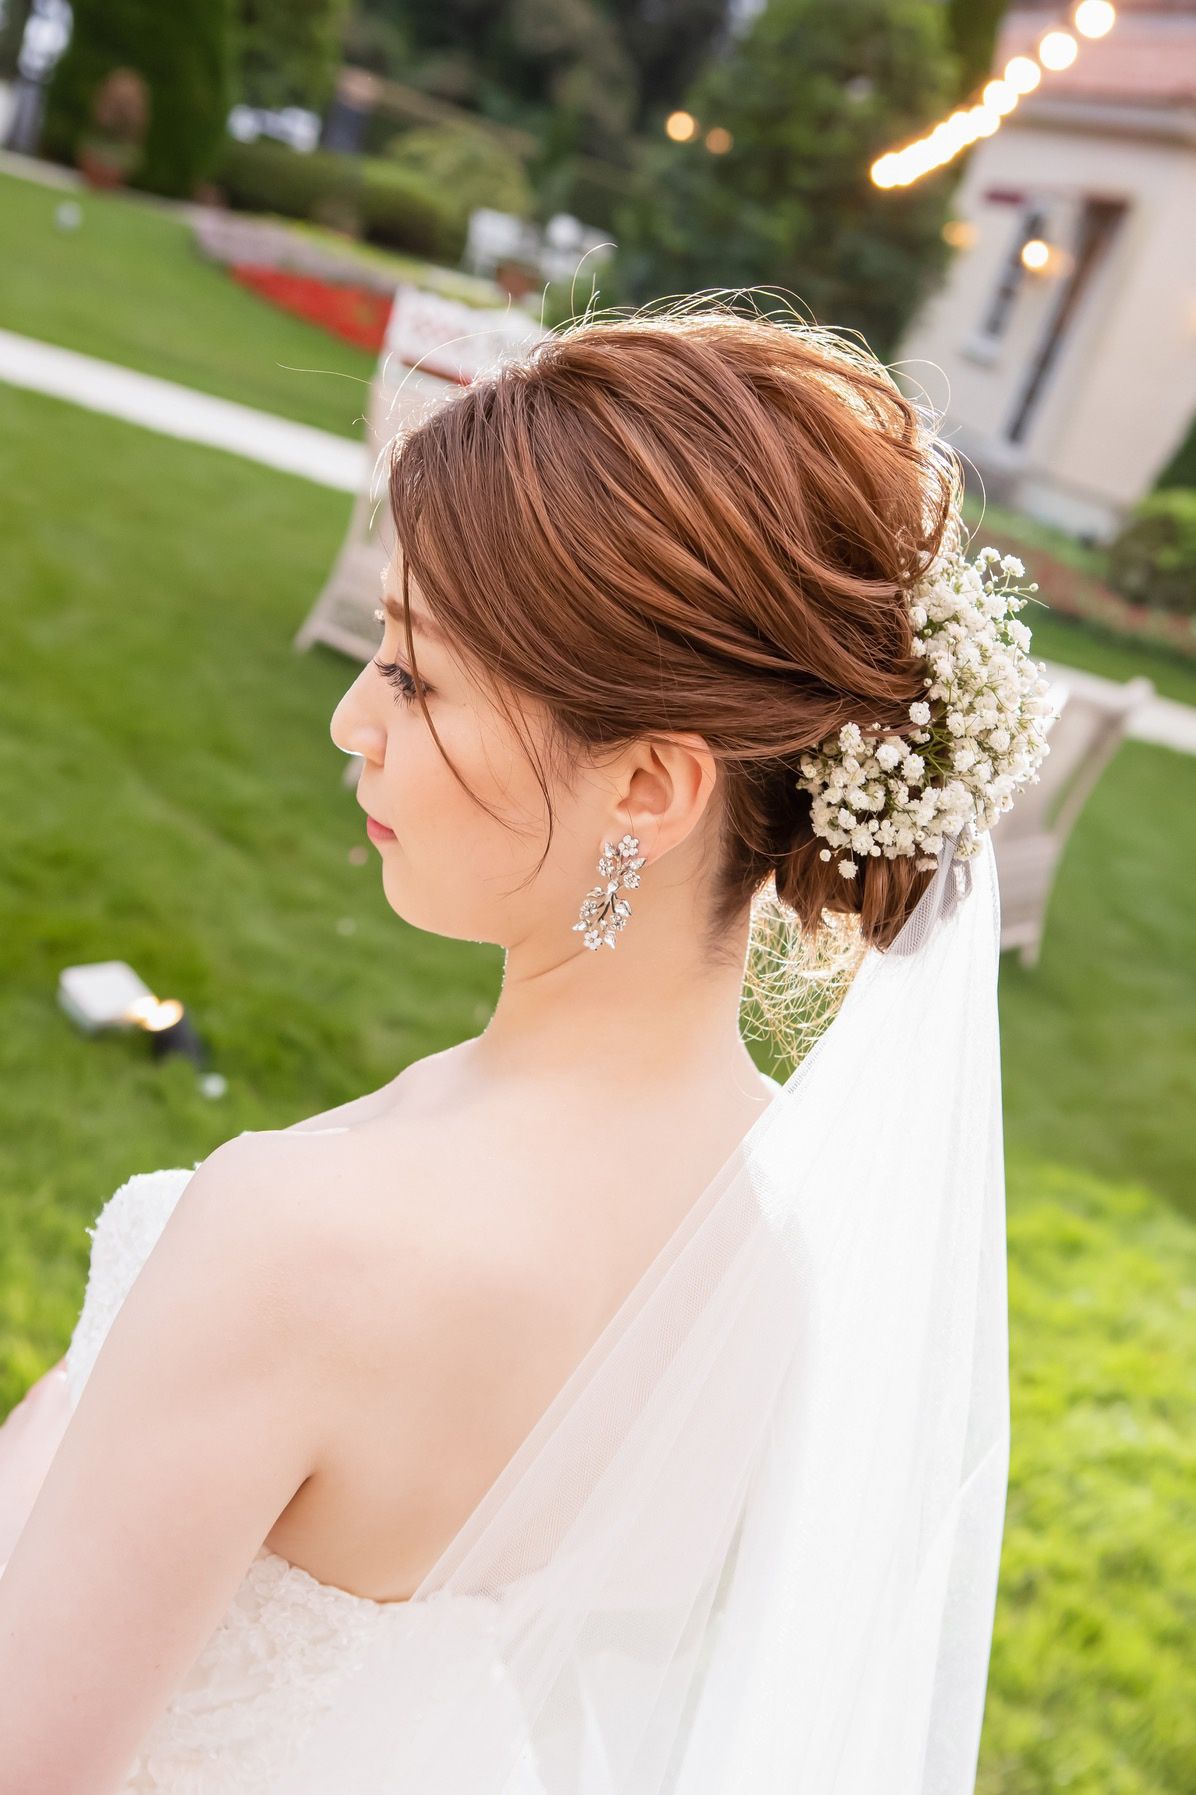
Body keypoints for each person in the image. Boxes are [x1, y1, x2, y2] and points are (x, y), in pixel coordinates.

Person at [0, 296, 1050, 1794]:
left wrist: (56, 1433)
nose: (352, 723)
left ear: (650, 790)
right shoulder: (769, 1244)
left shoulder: (299, 1242)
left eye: (417, 677)